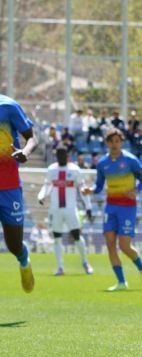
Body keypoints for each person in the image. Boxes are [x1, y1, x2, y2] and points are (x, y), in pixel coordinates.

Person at [82, 128, 142, 291]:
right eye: (111, 141)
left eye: (117, 141)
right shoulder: (102, 164)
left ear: (122, 142)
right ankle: (121, 282)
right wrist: (90, 190)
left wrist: (136, 190)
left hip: (127, 207)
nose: (114, 144)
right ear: (107, 143)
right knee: (110, 244)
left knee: (125, 246)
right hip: (110, 207)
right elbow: (99, 187)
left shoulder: (131, 160)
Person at [0, 95, 38, 292]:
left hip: (9, 187)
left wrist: (26, 151)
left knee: (14, 244)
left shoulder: (9, 106)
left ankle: (24, 261)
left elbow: (32, 137)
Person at [37, 147, 94, 276]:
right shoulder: (52, 170)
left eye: (63, 154)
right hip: (55, 209)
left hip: (70, 209)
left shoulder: (75, 170)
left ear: (67, 155)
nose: (61, 157)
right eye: (59, 154)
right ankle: (60, 267)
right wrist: (41, 196)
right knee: (57, 238)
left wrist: (88, 206)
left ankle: (85, 262)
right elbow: (47, 186)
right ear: (56, 156)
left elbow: (83, 190)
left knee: (77, 236)